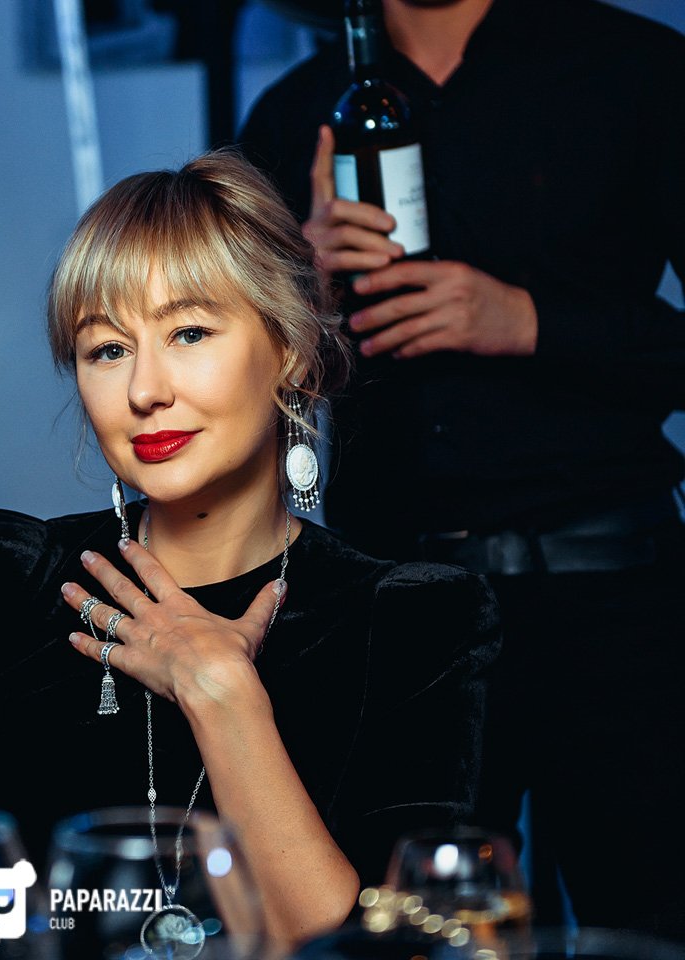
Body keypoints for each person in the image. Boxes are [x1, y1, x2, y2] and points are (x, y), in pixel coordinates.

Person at [0, 151, 500, 958]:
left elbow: (381, 948)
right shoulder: (0, 582)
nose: (145, 390)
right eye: (107, 349)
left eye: (189, 332)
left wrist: (222, 696)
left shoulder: (417, 623)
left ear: (288, 347)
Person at [237, 0, 685, 939]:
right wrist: (299, 292)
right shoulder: (297, 112)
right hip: (400, 616)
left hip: (617, 600)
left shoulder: (638, 70)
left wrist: (530, 322)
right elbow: (243, 389)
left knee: (648, 926)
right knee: (410, 934)